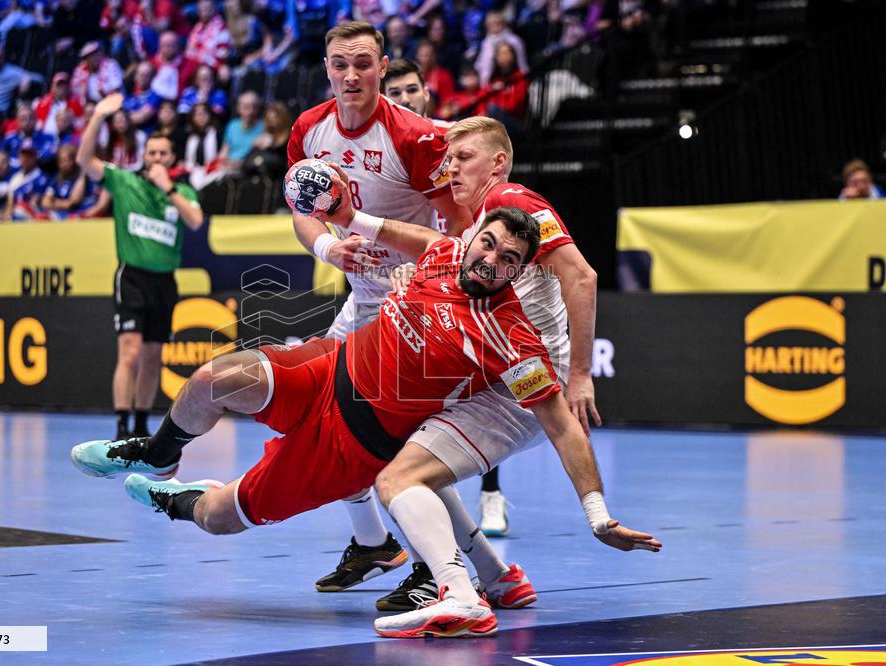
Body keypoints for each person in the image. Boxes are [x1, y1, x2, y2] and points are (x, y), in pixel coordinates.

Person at [70, 205, 661, 638]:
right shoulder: (447, 250)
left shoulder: (510, 335)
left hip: (353, 444)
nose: (490, 260)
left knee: (219, 518)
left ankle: (173, 498)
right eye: (489, 244)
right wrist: (352, 217)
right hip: (329, 368)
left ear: (519, 273)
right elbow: (421, 234)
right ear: (475, 237)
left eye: (509, 259)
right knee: (210, 381)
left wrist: (597, 514)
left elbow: (560, 425)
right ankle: (163, 452)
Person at [376, 114, 601, 608]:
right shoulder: (480, 222)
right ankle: (497, 578)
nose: (450, 169)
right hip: (495, 368)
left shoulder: (511, 200)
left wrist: (580, 375)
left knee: (397, 471)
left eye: (462, 159)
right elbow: (449, 267)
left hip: (522, 377)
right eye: (448, 160)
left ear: (497, 163)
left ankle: (456, 591)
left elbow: (581, 277)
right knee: (402, 453)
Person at [287, 20, 473, 593]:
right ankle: (373, 543)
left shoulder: (415, 137)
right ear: (326, 67)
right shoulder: (308, 129)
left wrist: (436, 288)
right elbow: (301, 208)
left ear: (383, 67)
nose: (351, 75)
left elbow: (459, 224)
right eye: (341, 64)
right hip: (361, 301)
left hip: (413, 303)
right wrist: (327, 246)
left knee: (396, 440)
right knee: (320, 413)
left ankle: (434, 569)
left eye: (363, 63)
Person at [77, 92, 203, 441]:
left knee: (152, 357)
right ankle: (120, 425)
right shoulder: (124, 181)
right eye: (152, 153)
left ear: (172, 158)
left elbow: (195, 220)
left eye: (163, 153)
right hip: (131, 277)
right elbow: (84, 159)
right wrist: (98, 116)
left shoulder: (182, 192)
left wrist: (169, 190)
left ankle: (141, 425)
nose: (157, 158)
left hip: (165, 281)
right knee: (129, 352)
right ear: (144, 156)